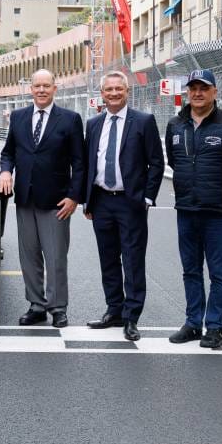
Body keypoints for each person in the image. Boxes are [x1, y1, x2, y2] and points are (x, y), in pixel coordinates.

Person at [164, 69, 222, 349]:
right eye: (193, 88)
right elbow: (175, 162)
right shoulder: (175, 124)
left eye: (204, 88)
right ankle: (192, 323)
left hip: (217, 210)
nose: (197, 93)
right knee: (190, 270)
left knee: (217, 271)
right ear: (187, 92)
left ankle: (215, 327)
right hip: (186, 208)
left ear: (215, 92)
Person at [0, 69, 85, 328]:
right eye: (37, 85)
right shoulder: (18, 117)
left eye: (47, 85)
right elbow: (8, 152)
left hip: (57, 201)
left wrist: (74, 197)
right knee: (29, 256)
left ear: (54, 89)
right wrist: (5, 171)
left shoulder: (70, 120)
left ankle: (58, 307)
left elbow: (79, 163)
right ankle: (36, 305)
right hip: (25, 199)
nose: (42, 90)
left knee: (56, 256)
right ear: (31, 89)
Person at [83, 70, 164, 341]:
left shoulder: (143, 121)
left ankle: (132, 317)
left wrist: (147, 198)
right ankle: (114, 310)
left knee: (132, 260)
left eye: (119, 89)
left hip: (131, 203)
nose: (114, 94)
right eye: (109, 90)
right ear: (102, 94)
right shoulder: (94, 124)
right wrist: (88, 200)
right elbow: (88, 164)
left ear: (127, 92)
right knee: (108, 260)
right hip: (102, 200)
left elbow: (156, 163)